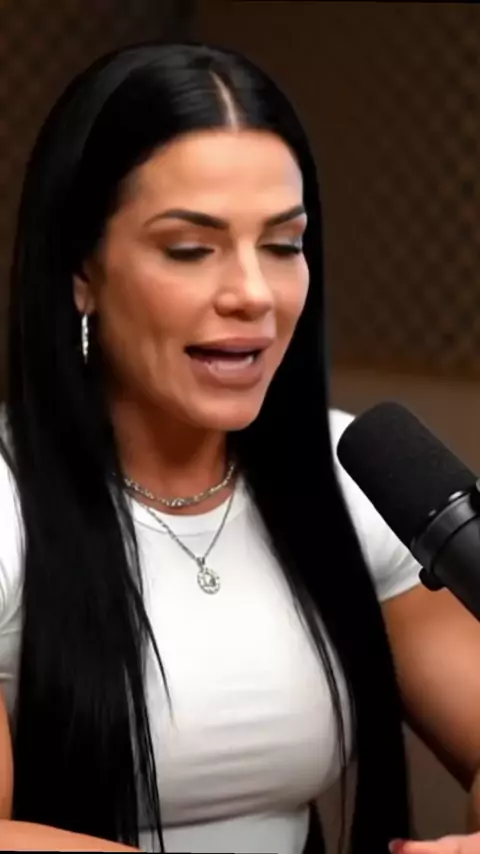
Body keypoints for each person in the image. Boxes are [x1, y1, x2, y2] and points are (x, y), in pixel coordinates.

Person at [1, 41, 480, 854]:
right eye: (191, 249)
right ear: (82, 271)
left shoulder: (351, 477)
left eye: (284, 245)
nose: (253, 294)